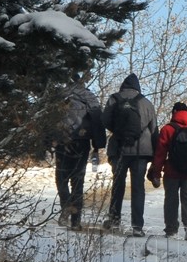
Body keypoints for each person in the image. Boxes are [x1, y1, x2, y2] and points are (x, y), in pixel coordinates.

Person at [101, 72, 158, 233]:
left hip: (119, 149)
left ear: (123, 86)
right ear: (137, 87)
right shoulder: (146, 103)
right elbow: (154, 130)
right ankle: (137, 226)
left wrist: (119, 132)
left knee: (118, 185)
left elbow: (105, 121)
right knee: (138, 187)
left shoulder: (114, 99)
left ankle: (114, 220)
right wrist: (156, 157)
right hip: (141, 151)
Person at [149, 102, 187, 240]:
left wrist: (156, 172)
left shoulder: (167, 129)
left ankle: (171, 230)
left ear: (174, 112)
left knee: (171, 199)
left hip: (172, 172)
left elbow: (160, 154)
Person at [51, 79, 106, 229]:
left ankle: (66, 206)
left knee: (61, 177)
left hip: (63, 141)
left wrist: (48, 141)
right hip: (82, 142)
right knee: (78, 180)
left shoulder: (60, 95)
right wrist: (98, 144)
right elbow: (97, 120)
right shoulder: (89, 96)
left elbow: (50, 119)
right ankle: (76, 221)